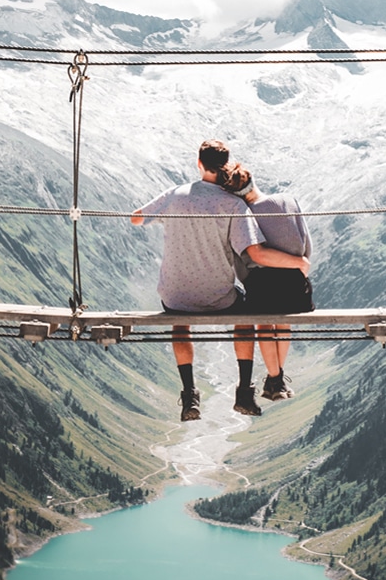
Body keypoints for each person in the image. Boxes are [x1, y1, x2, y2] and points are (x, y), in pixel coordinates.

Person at [130, 140, 310, 422]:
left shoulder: (175, 195)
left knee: (179, 319)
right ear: (225, 165)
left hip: (175, 295)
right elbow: (255, 252)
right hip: (219, 297)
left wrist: (173, 218)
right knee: (246, 313)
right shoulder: (233, 204)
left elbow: (136, 219)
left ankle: (190, 394)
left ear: (199, 163)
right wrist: (298, 263)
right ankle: (245, 392)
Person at [223, 165, 313, 401]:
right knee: (283, 324)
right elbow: (307, 247)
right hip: (296, 287)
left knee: (264, 323)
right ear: (252, 180)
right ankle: (276, 379)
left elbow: (248, 258)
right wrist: (297, 265)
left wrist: (247, 280)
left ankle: (275, 379)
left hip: (263, 287)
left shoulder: (245, 215)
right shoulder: (288, 200)